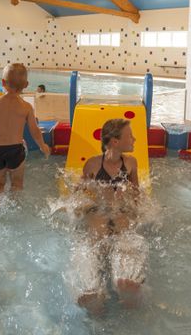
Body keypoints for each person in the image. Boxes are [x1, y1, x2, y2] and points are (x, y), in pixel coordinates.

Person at [73, 118, 148, 315]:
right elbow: (77, 193)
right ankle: (92, 290)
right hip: (99, 210)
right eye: (130, 136)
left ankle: (127, 281)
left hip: (121, 211)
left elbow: (137, 194)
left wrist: (134, 207)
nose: (134, 139)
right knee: (95, 235)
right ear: (115, 141)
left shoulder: (130, 163)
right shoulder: (93, 164)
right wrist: (81, 207)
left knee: (124, 232)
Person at [0, 63, 51, 195]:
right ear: (26, 85)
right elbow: (34, 130)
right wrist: (42, 146)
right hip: (15, 150)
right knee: (17, 184)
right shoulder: (26, 107)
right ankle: (15, 203)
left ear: (3, 82)